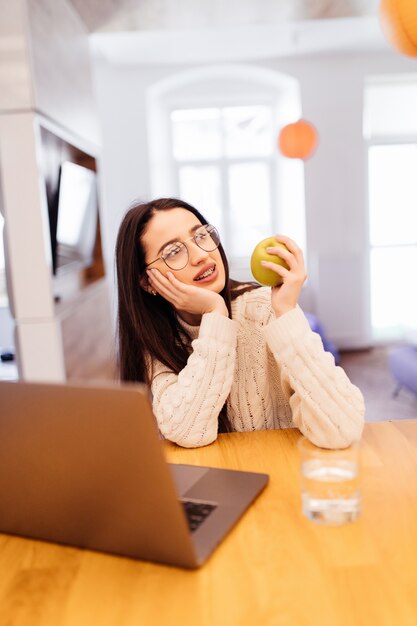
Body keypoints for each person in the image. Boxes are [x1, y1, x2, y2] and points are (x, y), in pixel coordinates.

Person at [115, 197, 365, 449]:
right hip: (220, 480)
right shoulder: (159, 340)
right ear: (147, 282)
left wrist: (287, 312)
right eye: (173, 252)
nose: (201, 255)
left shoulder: (265, 309)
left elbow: (342, 429)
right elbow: (187, 431)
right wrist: (215, 314)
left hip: (282, 472)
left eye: (201, 235)